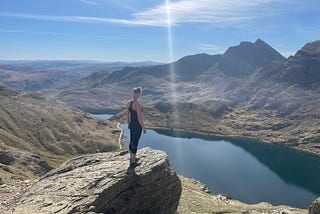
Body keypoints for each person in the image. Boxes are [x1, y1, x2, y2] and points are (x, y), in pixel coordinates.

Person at [126, 86, 147, 166]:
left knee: (131, 140)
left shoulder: (129, 102)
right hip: (137, 126)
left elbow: (127, 114)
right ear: (138, 94)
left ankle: (131, 157)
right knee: (135, 142)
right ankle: (133, 161)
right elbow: (140, 118)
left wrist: (128, 123)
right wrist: (144, 128)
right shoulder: (138, 104)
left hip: (131, 124)